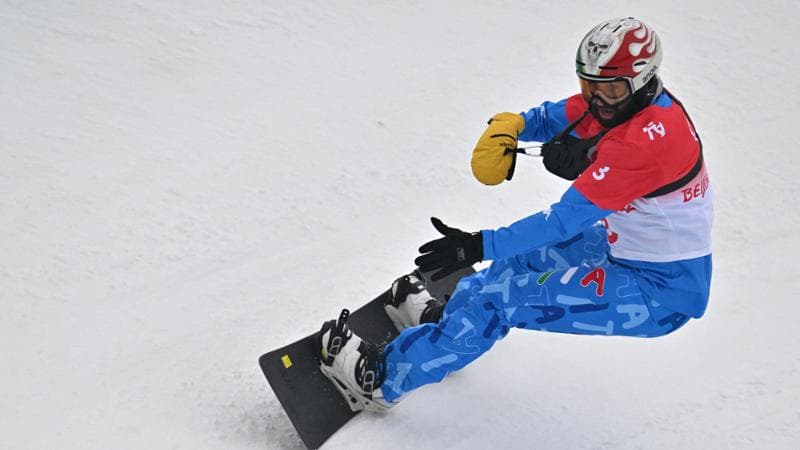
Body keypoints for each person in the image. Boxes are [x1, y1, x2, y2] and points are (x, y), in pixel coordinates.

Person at [318, 17, 713, 411]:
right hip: (622, 246)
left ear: (643, 80)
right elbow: (559, 117)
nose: (597, 99)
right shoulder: (624, 103)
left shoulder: (647, 141)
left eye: (608, 88)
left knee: (501, 302)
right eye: (588, 84)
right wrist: (514, 125)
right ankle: (450, 325)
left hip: (660, 294)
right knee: (517, 262)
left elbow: (561, 221)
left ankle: (381, 381)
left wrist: (477, 245)